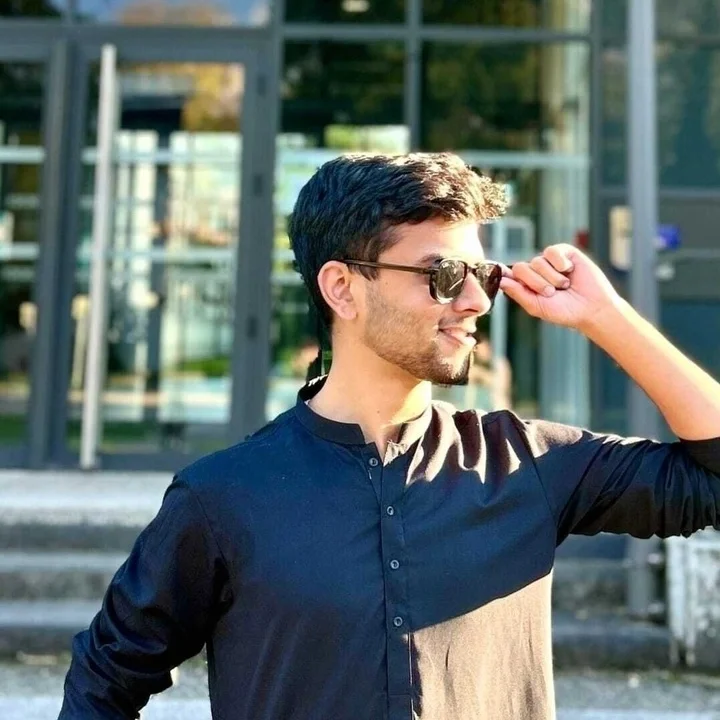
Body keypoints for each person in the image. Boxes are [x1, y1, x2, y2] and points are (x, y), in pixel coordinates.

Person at [58, 153, 720, 720]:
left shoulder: (529, 464)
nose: (476, 302)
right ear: (342, 289)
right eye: (445, 276)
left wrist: (606, 316)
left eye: (485, 276)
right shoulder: (223, 497)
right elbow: (105, 679)